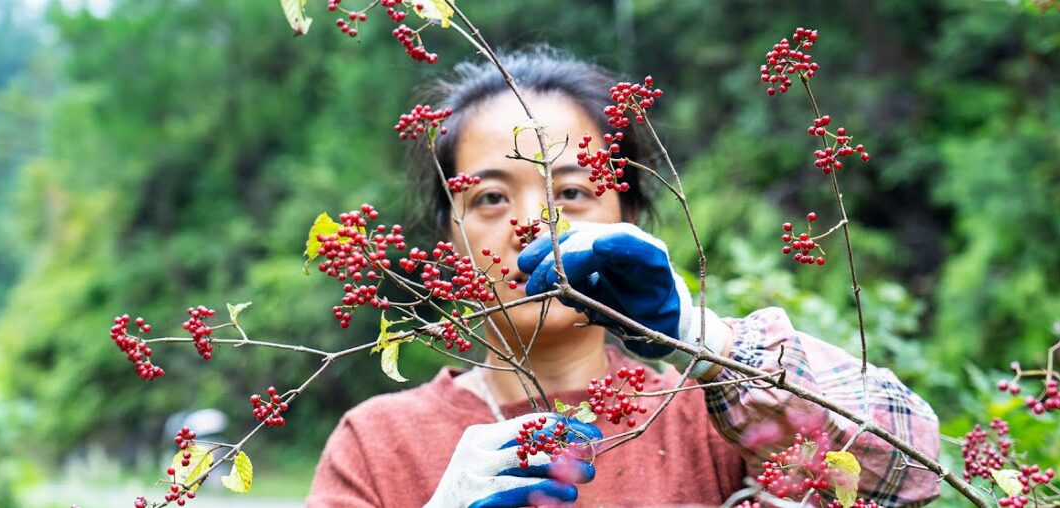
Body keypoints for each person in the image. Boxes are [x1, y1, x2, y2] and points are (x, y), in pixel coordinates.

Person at [306, 47, 941, 507]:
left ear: (629, 218)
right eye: (491, 198)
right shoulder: (378, 444)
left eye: (573, 190)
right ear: (451, 238)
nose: (534, 222)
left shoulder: (710, 419)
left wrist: (703, 340)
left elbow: (911, 472)